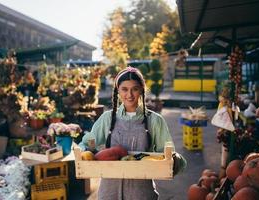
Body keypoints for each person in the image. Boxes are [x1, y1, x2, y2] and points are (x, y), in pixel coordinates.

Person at [79, 66, 186, 200]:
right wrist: (83, 150)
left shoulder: (155, 121)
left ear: (141, 90)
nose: (129, 95)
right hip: (109, 193)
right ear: (118, 91)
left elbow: (167, 153)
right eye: (124, 89)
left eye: (134, 89)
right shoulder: (107, 119)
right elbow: (89, 144)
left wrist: (174, 160)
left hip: (141, 193)